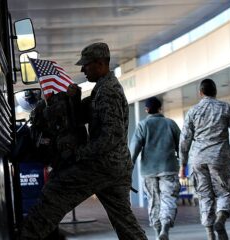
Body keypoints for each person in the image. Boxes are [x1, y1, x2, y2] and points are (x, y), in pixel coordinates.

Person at [19, 42, 147, 240]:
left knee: (54, 192)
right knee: (125, 222)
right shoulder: (101, 90)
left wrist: (78, 154)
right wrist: (73, 99)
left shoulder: (108, 92)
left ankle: (28, 236)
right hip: (114, 167)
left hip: (103, 165)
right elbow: (79, 116)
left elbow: (109, 137)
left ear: (100, 63)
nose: (82, 69)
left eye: (86, 65)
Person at [179, 79, 230, 240]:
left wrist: (182, 163)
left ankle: (210, 235)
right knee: (224, 192)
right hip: (220, 157)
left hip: (198, 158)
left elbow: (184, 140)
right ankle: (221, 219)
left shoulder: (193, 111)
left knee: (204, 195)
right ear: (215, 92)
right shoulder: (225, 107)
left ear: (200, 93)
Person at [130, 96, 181, 240]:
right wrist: (183, 163)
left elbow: (134, 150)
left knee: (153, 201)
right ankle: (165, 228)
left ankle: (158, 233)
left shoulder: (142, 125)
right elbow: (182, 147)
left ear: (146, 110)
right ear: (160, 108)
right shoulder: (170, 124)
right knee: (168, 199)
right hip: (169, 168)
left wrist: (129, 169)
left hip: (149, 171)